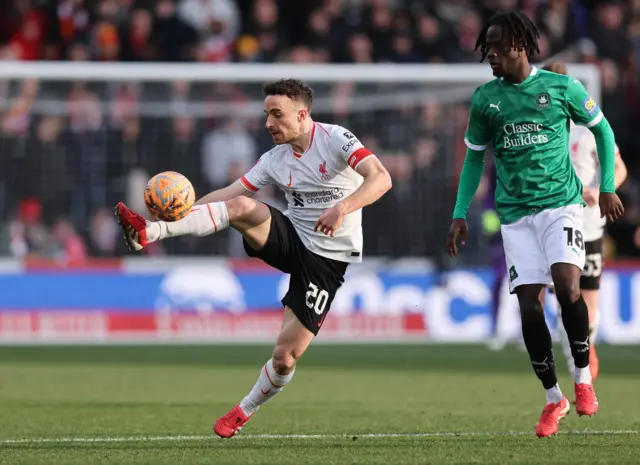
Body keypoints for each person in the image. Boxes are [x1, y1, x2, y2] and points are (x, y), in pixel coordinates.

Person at [113, 79, 393, 438]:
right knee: (242, 206)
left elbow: (381, 179)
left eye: (277, 114)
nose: (268, 123)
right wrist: (173, 216)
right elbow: (229, 195)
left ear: (302, 114)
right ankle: (147, 234)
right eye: (266, 115)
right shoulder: (274, 159)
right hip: (291, 238)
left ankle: (244, 410)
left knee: (284, 358)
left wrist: (342, 208)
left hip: (327, 260)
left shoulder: (336, 139)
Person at [445, 11, 624, 438]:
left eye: (496, 46)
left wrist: (608, 186)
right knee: (528, 306)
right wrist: (459, 212)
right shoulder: (485, 99)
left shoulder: (562, 87)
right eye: (485, 46)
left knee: (567, 286)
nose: (488, 53)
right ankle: (552, 397)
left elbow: (604, 132)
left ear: (520, 47)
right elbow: (473, 158)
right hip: (514, 215)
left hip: (561, 205)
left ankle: (582, 379)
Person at [542, 61, 628, 383]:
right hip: (554, 225)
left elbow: (620, 169)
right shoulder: (538, 130)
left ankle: (585, 350)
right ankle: (577, 368)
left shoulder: (589, 129)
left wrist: (600, 189)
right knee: (566, 296)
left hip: (590, 226)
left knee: (588, 300)